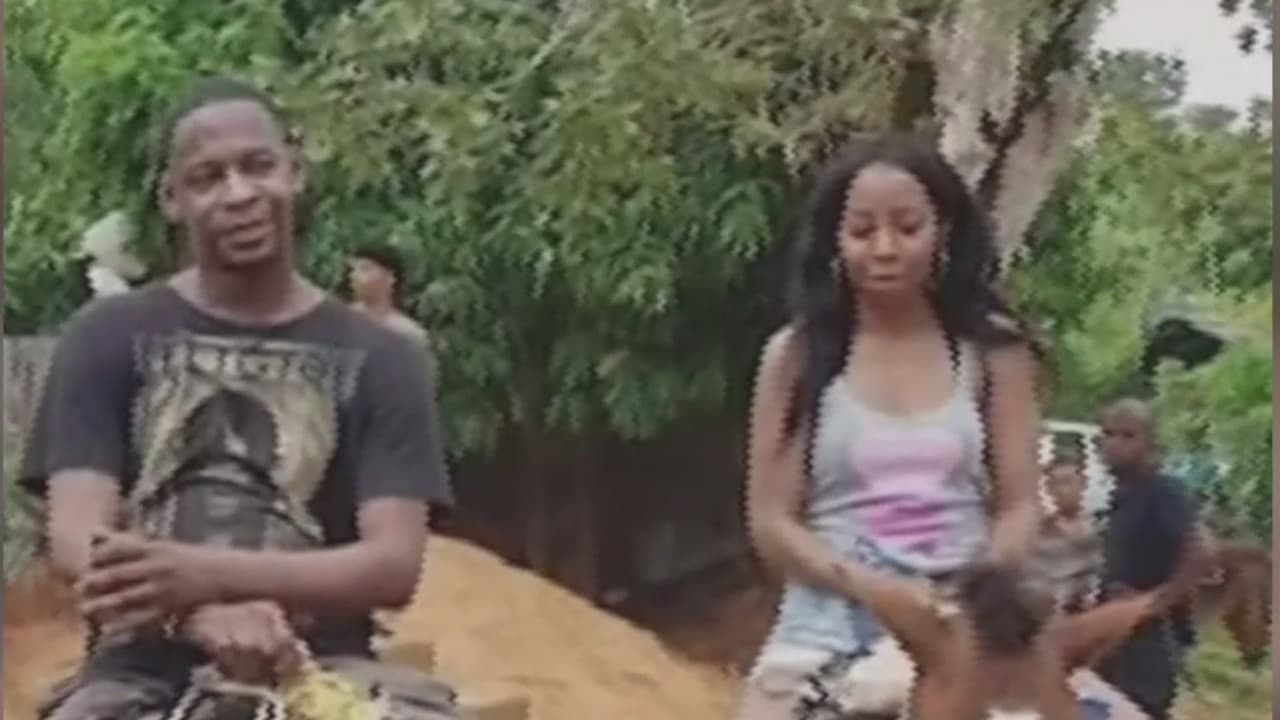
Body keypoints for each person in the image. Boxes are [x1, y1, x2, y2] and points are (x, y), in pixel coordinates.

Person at [20, 76, 460, 719]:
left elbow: (393, 566)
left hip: (325, 667)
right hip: (139, 668)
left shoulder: (384, 357)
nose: (240, 194)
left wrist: (202, 575)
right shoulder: (105, 335)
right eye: (208, 177)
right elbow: (74, 535)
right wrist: (192, 611)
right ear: (172, 199)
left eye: (259, 166)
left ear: (295, 171)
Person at [737, 133, 1043, 719]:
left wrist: (976, 587)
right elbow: (771, 523)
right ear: (835, 239)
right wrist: (870, 586)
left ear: (943, 230)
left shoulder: (993, 352)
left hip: (960, 623)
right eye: (861, 230)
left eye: (907, 227)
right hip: (824, 627)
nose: (884, 248)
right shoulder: (798, 357)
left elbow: (1020, 505)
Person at [1094, 398, 1208, 720]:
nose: (1114, 443)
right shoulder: (1124, 494)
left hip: (1150, 636)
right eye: (1108, 434)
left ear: (1151, 442)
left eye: (1127, 435)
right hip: (1117, 628)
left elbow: (1201, 550)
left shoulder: (1164, 491)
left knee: (1140, 708)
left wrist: (1157, 601)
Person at [1028, 452, 1104, 613]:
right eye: (1056, 484)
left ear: (1083, 484)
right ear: (1049, 489)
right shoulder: (1040, 534)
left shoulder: (1101, 526)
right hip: (1055, 610)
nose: (1063, 490)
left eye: (1068, 482)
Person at [349, 242, 433, 354]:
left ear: (390, 278)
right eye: (353, 270)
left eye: (365, 269)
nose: (354, 276)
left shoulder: (408, 334)